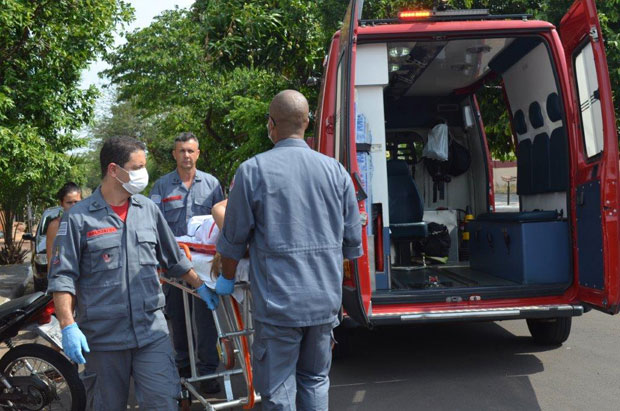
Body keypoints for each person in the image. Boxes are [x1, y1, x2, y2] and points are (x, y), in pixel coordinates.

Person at [215, 90, 363, 410]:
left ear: (271, 125)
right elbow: (353, 244)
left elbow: (234, 239)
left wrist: (226, 280)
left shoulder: (252, 171)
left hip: (278, 303)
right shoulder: (336, 171)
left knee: (279, 388)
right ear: (307, 122)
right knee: (315, 380)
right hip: (324, 303)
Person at [47, 136, 217, 410]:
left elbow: (174, 259)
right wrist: (68, 325)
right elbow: (63, 276)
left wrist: (202, 287)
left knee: (163, 403)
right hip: (103, 339)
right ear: (114, 170)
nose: (143, 174)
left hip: (151, 333)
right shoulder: (78, 218)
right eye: (137, 167)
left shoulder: (147, 209)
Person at [150, 132, 224, 393]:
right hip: (173, 268)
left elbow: (221, 224)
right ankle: (182, 371)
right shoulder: (161, 187)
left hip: (204, 269)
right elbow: (154, 227)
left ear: (198, 153)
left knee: (206, 322)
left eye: (191, 151)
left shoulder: (212, 184)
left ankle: (207, 373)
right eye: (181, 151)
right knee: (178, 320)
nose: (186, 155)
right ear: (174, 154)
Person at [45, 182, 82, 268]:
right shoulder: (56, 226)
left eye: (76, 202)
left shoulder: (87, 223)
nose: (73, 206)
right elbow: (51, 259)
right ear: (61, 203)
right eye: (69, 202)